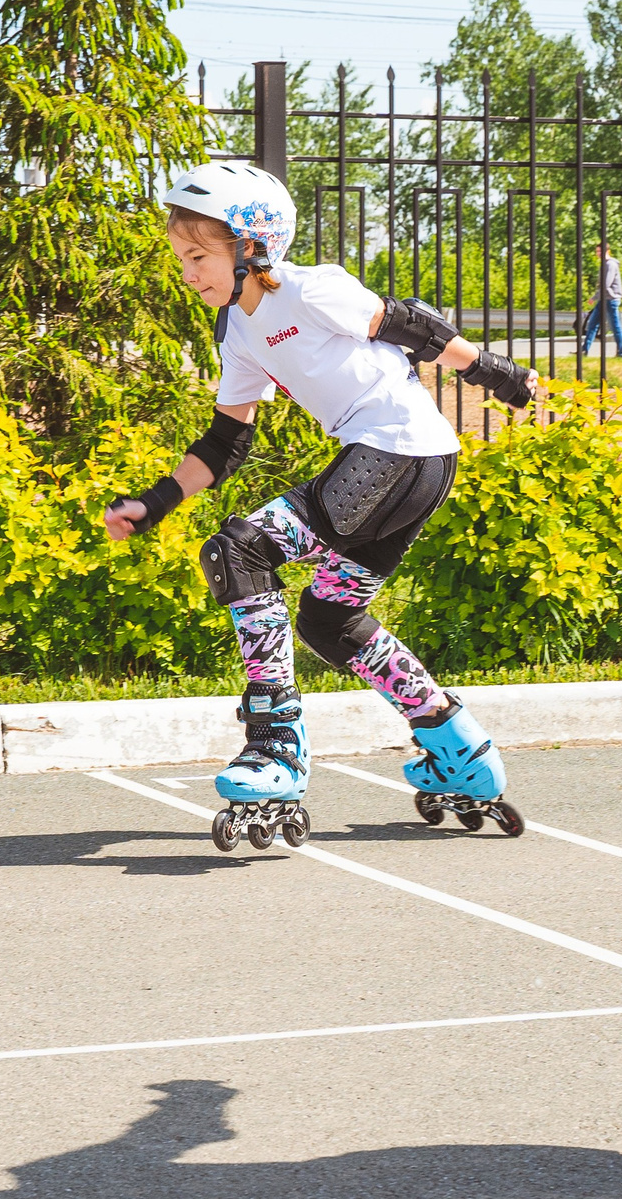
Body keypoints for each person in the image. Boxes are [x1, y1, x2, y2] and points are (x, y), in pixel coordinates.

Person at [104, 163, 540, 845]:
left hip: (396, 451)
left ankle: (276, 744)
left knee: (240, 551)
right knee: (329, 621)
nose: (187, 273)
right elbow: (225, 442)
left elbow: (409, 324)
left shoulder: (309, 289)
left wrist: (494, 372)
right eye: (181, 258)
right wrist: (154, 502)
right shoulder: (238, 329)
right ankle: (460, 752)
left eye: (198, 256)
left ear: (251, 246)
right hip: (407, 464)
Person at [578, 241, 622, 358]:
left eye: (600, 251)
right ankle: (584, 350)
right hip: (604, 299)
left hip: (611, 300)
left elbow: (606, 285)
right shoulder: (604, 264)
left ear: (607, 251)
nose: (598, 253)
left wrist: (594, 297)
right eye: (597, 251)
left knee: (615, 327)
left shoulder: (610, 265)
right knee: (592, 324)